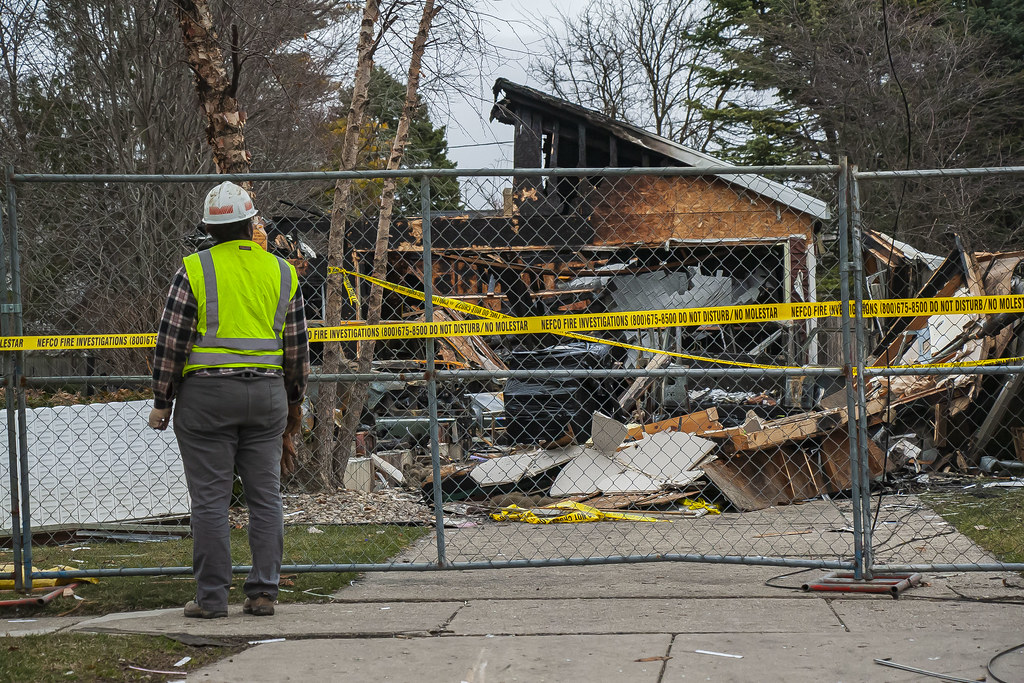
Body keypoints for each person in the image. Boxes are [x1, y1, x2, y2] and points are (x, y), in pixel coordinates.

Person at [148, 181, 309, 619]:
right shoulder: (282, 272)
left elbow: (172, 340)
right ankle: (262, 595)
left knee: (210, 501)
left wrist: (162, 401)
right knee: (265, 498)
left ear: (208, 228)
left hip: (206, 399)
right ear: (251, 223)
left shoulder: (194, 269)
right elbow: (296, 348)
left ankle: (211, 599)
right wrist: (292, 399)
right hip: (267, 397)